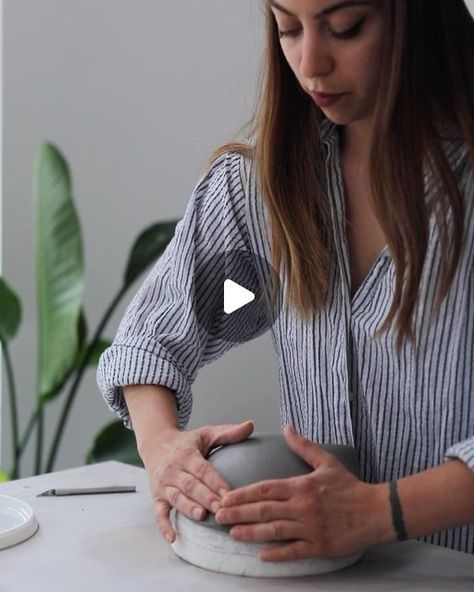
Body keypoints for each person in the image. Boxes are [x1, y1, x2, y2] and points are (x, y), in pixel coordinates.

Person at [97, 0, 474, 560]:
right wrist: (162, 448)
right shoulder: (262, 199)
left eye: (346, 28)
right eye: (288, 27)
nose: (310, 62)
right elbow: (154, 339)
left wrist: (375, 513)